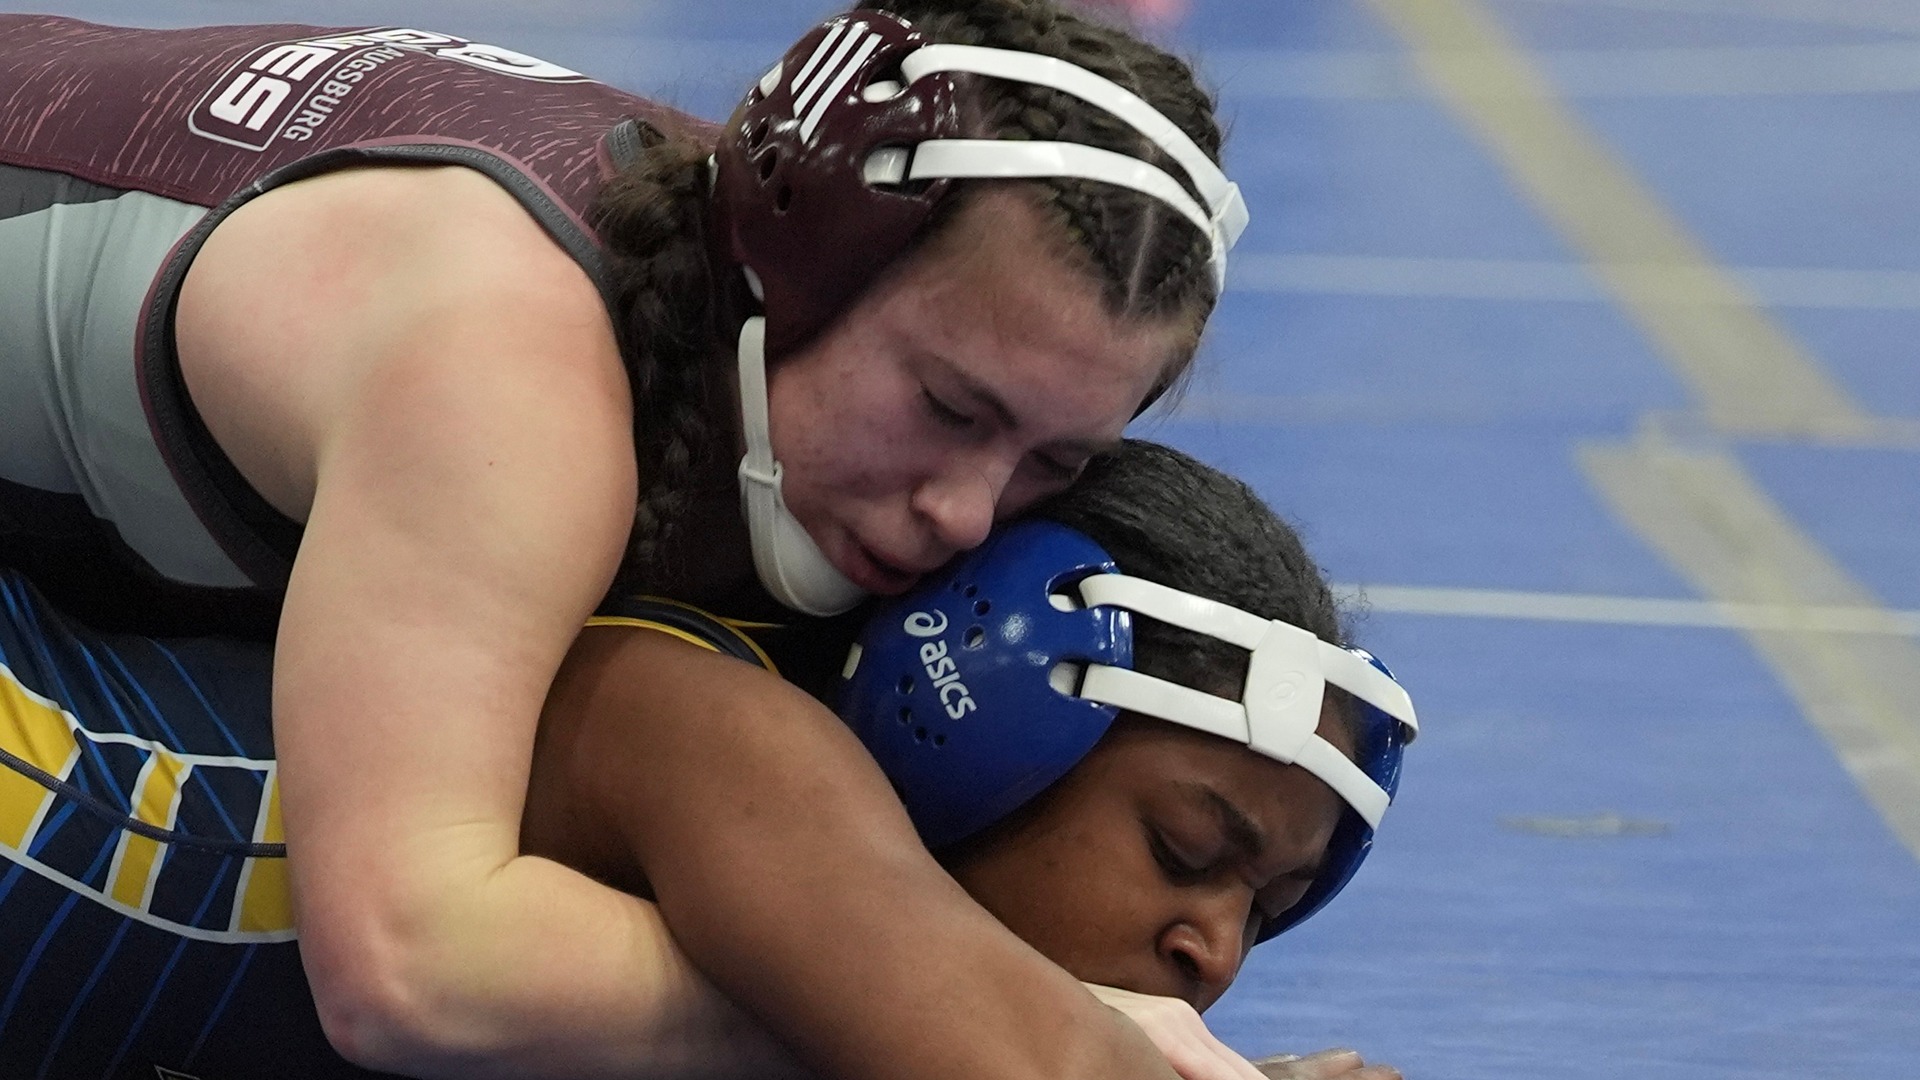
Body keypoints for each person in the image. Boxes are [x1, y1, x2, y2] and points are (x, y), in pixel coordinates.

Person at [0, 3, 1264, 1077]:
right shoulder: (506, 364)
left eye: (1054, 459)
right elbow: (409, 965)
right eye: (946, 408)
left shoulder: (742, 278)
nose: (966, 512)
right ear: (798, 263)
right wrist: (968, 1018)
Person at [0, 440, 1414, 1080]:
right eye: (1187, 851)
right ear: (984, 711)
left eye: (1265, 910)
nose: (1211, 952)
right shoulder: (704, 730)